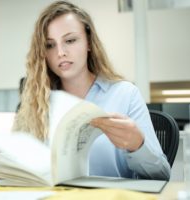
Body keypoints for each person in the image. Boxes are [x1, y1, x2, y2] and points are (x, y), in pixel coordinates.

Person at [12, 1, 170, 180]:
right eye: (50, 45)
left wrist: (138, 145)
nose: (61, 52)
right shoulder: (36, 102)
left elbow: (162, 175)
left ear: (88, 42)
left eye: (70, 40)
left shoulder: (125, 94)